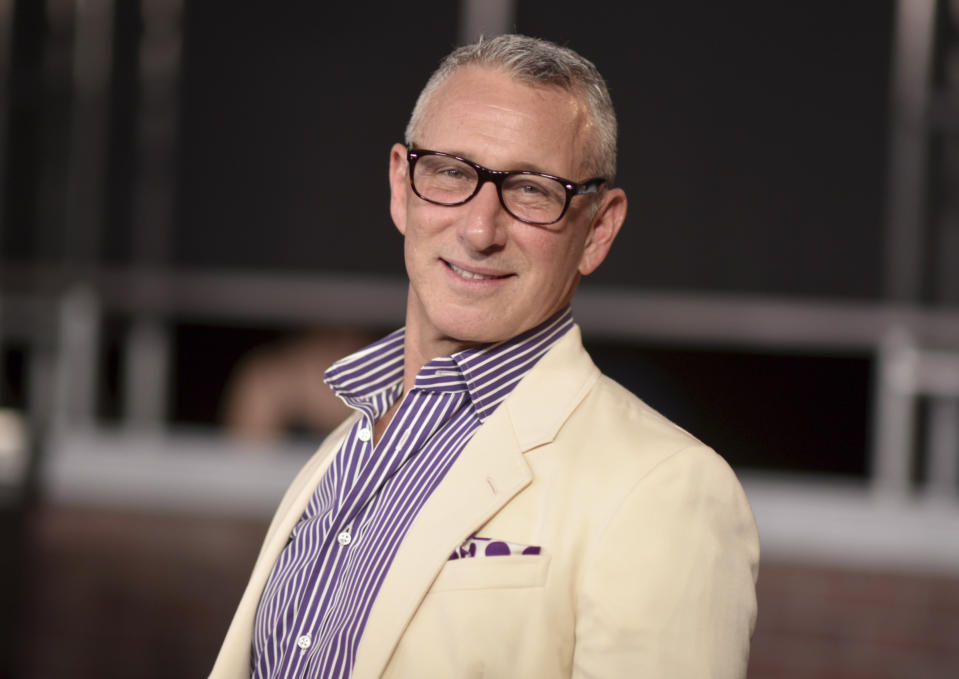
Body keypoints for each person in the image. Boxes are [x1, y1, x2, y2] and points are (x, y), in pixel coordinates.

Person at [211, 34, 759, 679]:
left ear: (599, 229)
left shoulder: (666, 489)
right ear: (400, 187)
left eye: (532, 190)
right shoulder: (345, 448)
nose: (479, 230)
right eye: (450, 172)